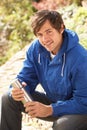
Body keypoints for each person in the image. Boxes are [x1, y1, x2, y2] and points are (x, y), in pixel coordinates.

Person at [0, 10, 87, 130]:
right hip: (54, 102)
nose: (45, 39)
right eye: (40, 34)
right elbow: (26, 77)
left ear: (61, 28)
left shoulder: (80, 58)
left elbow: (83, 101)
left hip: (81, 110)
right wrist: (18, 90)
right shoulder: (36, 49)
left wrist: (51, 109)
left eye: (49, 32)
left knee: (62, 125)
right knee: (8, 98)